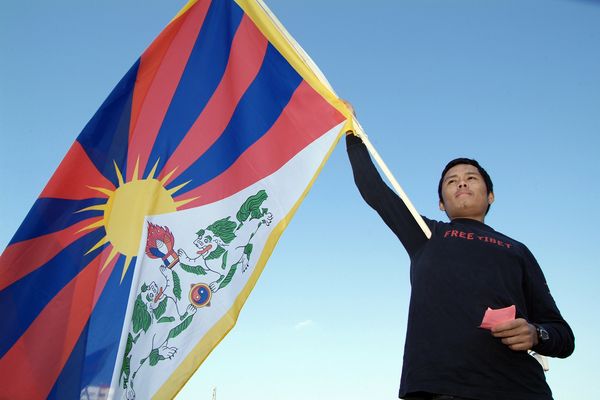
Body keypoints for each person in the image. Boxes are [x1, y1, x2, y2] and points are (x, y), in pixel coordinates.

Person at [345, 111, 574, 400]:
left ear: (490, 196)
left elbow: (562, 335)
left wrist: (535, 334)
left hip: (520, 389)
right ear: (441, 203)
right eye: (451, 181)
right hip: (438, 388)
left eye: (471, 178)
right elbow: (375, 191)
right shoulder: (427, 234)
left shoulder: (517, 250)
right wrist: (352, 136)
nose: (462, 183)